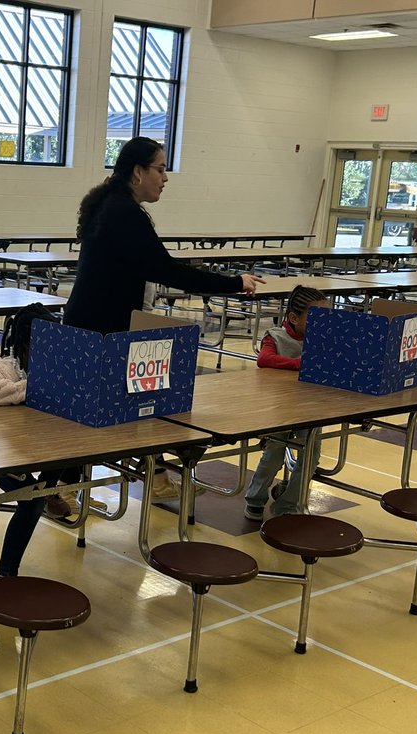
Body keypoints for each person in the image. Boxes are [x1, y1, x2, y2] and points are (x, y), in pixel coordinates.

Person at [63, 135, 264, 499]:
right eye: (160, 168)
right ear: (137, 172)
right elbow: (169, 271)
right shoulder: (124, 214)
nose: (165, 177)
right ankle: (60, 488)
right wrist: (235, 282)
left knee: (136, 399)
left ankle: (149, 478)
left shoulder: (112, 204)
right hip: (104, 327)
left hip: (95, 321)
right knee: (124, 403)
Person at [0, 302, 72, 577]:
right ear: (25, 344)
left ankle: (49, 490)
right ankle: (6, 573)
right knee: (33, 499)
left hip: (35, 446)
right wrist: (37, 386)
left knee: (58, 465)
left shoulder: (49, 362)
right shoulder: (5, 366)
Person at [244, 285, 327, 521]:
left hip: (312, 406)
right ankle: (255, 498)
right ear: (293, 317)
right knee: (274, 454)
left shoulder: (324, 339)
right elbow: (265, 359)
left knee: (311, 455)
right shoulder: (275, 336)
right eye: (316, 318)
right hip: (278, 407)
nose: (322, 324)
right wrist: (300, 364)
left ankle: (289, 502)